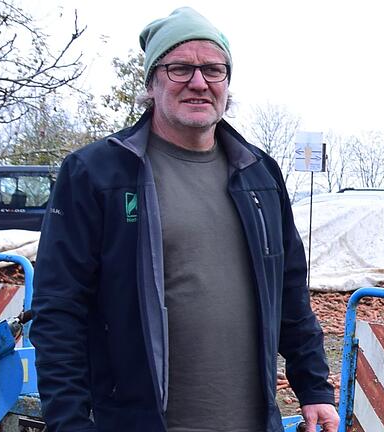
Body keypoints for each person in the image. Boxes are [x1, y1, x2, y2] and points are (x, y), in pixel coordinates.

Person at [30, 7, 339, 432]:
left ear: (228, 83)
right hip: (137, 422)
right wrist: (68, 421)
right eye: (180, 68)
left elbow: (288, 288)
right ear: (152, 82)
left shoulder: (259, 175)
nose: (199, 82)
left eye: (214, 70)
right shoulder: (97, 174)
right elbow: (59, 309)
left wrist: (314, 387)